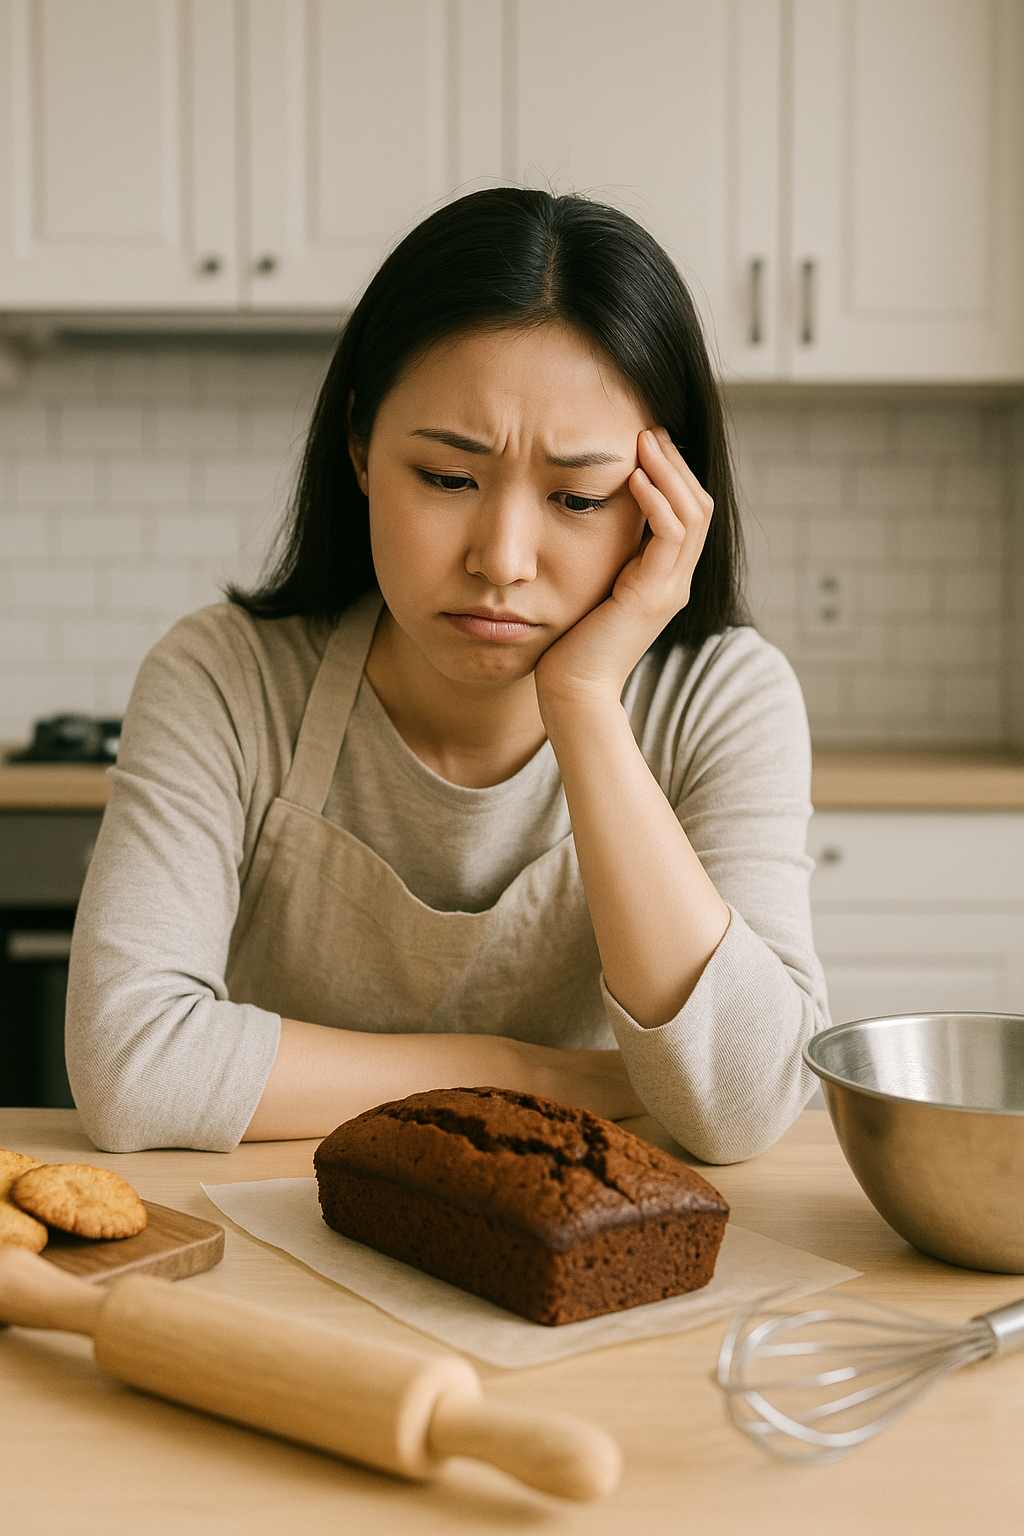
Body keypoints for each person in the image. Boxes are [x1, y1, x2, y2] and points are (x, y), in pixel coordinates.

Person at [66, 188, 829, 1161]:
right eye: (447, 478)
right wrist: (528, 1075)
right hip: (288, 1239)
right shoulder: (224, 677)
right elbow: (130, 1070)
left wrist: (585, 704)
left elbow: (744, 1105)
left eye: (579, 497)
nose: (502, 557)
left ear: (658, 503)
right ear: (359, 447)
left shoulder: (720, 699)